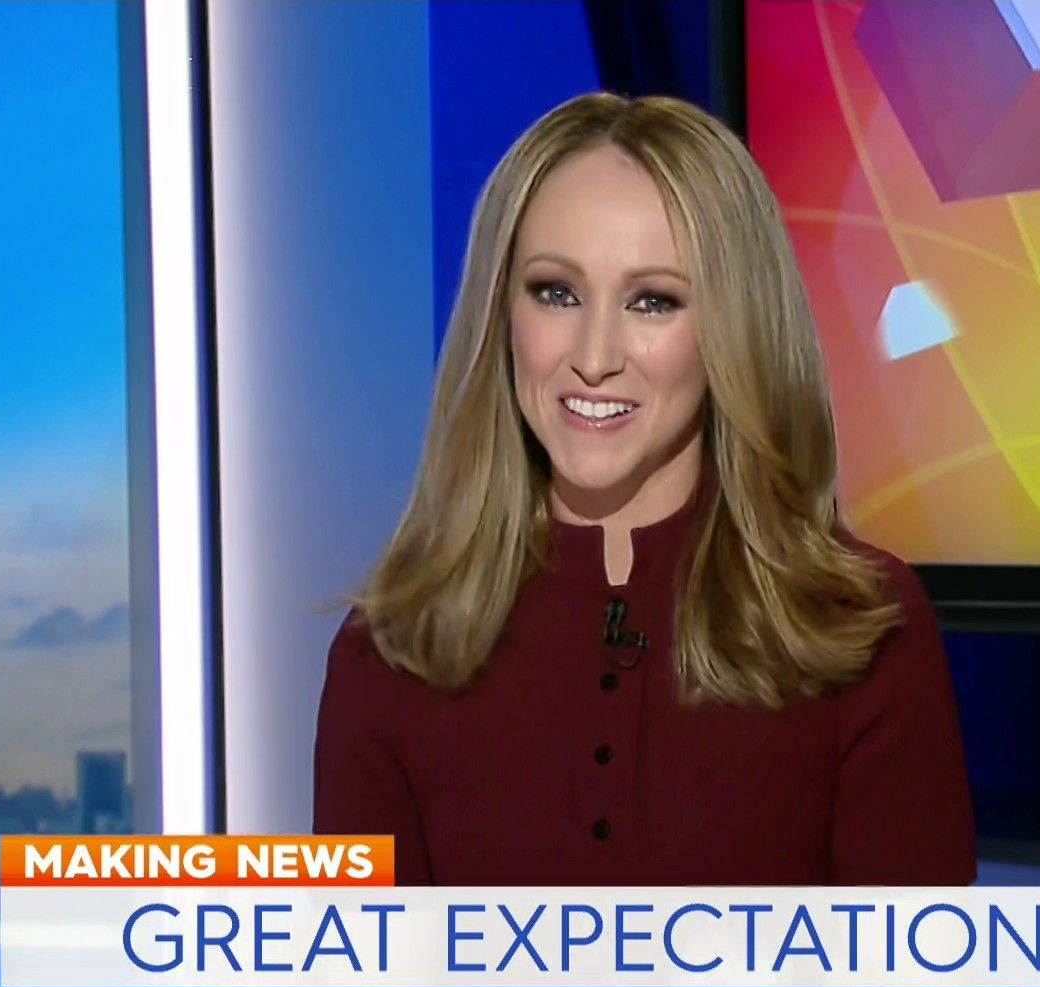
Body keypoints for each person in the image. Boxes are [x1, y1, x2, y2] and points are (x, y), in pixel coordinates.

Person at [312, 91, 975, 886]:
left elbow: (916, 968)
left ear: (734, 327)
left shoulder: (861, 632)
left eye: (652, 301)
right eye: (556, 292)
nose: (595, 356)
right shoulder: (390, 651)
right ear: (500, 313)